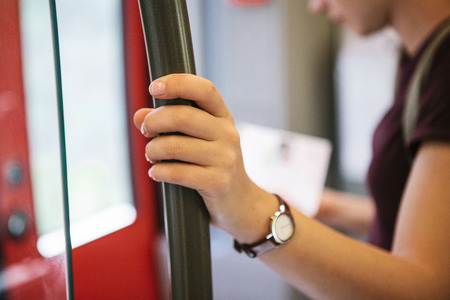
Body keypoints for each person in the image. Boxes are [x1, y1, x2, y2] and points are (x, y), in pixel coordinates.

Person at [134, 0, 450, 298]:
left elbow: (428, 288)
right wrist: (328, 207)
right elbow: (421, 223)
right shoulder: (421, 58)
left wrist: (251, 209)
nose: (317, 6)